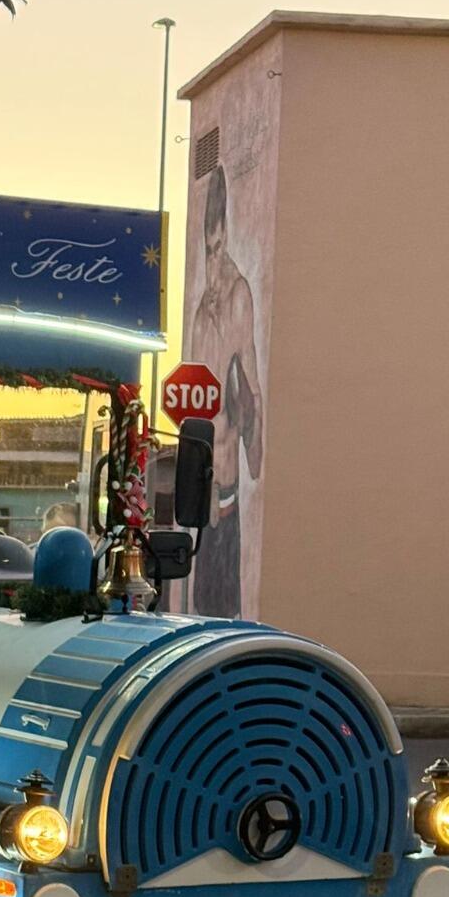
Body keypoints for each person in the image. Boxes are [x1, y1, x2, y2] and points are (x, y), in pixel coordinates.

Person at [189, 163, 264, 618]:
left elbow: (252, 394)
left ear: (227, 237)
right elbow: (190, 416)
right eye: (208, 251)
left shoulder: (237, 298)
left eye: (218, 248)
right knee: (202, 615)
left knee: (226, 618)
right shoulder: (202, 315)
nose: (213, 262)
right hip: (204, 501)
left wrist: (252, 438)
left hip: (228, 500)